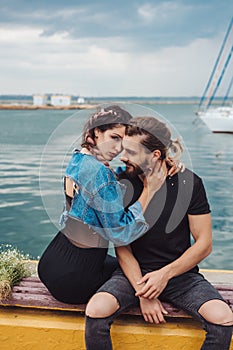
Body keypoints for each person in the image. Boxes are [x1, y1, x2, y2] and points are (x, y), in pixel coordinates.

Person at [85, 117, 233, 350]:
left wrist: (164, 275)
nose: (123, 157)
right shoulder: (122, 183)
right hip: (133, 274)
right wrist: (144, 293)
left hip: (180, 275)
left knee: (223, 317)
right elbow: (122, 247)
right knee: (96, 309)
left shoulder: (189, 183)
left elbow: (204, 244)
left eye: (131, 152)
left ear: (154, 155)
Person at [38, 106, 178, 304]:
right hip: (76, 277)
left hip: (53, 260)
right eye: (114, 137)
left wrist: (154, 163)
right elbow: (120, 232)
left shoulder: (79, 158)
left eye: (123, 142)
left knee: (130, 268)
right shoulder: (99, 172)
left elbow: (108, 182)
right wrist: (149, 189)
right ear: (97, 131)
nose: (119, 148)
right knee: (144, 276)